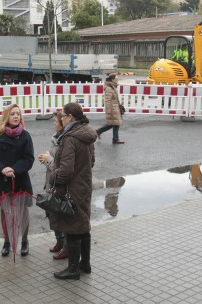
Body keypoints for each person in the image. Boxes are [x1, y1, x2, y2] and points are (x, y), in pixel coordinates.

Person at [49, 102, 97, 280]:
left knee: (73, 228)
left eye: (62, 115)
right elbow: (91, 162)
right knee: (83, 227)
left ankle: (73, 269)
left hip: (72, 190)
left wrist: (53, 177)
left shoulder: (70, 138)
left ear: (70, 117)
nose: (60, 117)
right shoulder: (86, 133)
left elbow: (66, 170)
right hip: (84, 186)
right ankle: (85, 264)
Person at [0, 104, 35, 257]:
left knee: (23, 212)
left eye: (18, 114)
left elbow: (29, 159)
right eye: (12, 114)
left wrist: (14, 169)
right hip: (2, 181)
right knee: (5, 213)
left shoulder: (26, 135)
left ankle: (25, 242)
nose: (16, 116)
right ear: (6, 117)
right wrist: (2, 169)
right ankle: (6, 242)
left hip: (20, 180)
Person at [37, 112, 68, 260]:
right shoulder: (56, 138)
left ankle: (66, 246)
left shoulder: (66, 141)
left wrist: (48, 160)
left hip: (60, 185)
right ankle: (59, 241)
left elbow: (62, 167)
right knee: (52, 214)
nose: (53, 123)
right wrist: (46, 158)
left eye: (55, 121)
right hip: (51, 182)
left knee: (61, 215)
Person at [96, 73, 125, 144]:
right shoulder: (109, 88)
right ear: (112, 80)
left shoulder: (113, 86)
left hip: (115, 107)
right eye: (116, 79)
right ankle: (115, 139)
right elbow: (107, 101)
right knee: (115, 123)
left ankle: (99, 131)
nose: (117, 80)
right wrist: (108, 111)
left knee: (114, 123)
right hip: (112, 109)